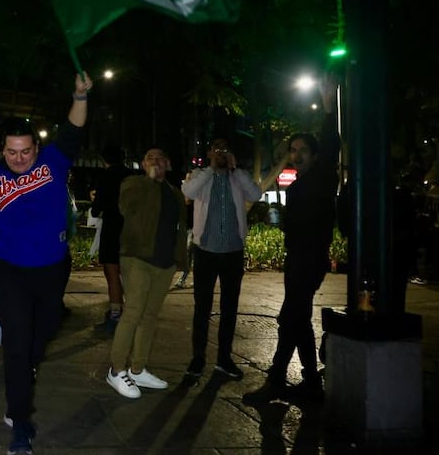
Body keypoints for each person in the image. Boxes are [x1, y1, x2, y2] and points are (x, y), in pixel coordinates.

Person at [0, 73, 92, 455]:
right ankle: (20, 423)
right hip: (9, 271)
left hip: (53, 268)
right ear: (2, 148)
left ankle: (27, 368)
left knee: (44, 331)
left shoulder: (54, 161)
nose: (19, 159)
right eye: (12, 152)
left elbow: (73, 127)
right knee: (17, 344)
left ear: (37, 146)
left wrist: (79, 95)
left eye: (26, 151)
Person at [244, 78, 340, 404]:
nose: (295, 155)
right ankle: (310, 382)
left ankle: (277, 381)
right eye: (293, 150)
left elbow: (331, 146)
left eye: (302, 151)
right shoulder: (299, 184)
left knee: (290, 318)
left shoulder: (322, 177)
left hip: (310, 259)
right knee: (297, 318)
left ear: (314, 156)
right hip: (296, 258)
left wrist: (328, 107)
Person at [104, 147, 187, 398]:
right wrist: (148, 180)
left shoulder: (175, 193)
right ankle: (117, 370)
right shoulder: (134, 183)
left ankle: (138, 369)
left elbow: (180, 228)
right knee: (133, 312)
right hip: (137, 258)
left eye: (161, 158)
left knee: (150, 316)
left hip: (165, 263)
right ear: (142, 164)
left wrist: (179, 260)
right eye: (150, 158)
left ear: (169, 164)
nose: (156, 162)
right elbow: (125, 206)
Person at [181, 137, 262, 379]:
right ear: (208, 153)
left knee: (230, 308)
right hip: (205, 250)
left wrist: (236, 169)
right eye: (216, 149)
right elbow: (188, 192)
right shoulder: (200, 175)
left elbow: (255, 194)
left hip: (233, 251)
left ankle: (224, 359)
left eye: (225, 149)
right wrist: (211, 169)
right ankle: (198, 358)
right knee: (202, 307)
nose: (221, 153)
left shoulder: (237, 177)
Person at [89, 144, 132, 334]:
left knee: (112, 274)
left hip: (112, 228)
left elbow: (97, 208)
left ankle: (115, 315)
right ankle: (130, 313)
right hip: (132, 229)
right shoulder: (133, 176)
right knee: (129, 274)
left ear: (104, 160)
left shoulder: (106, 176)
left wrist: (95, 201)